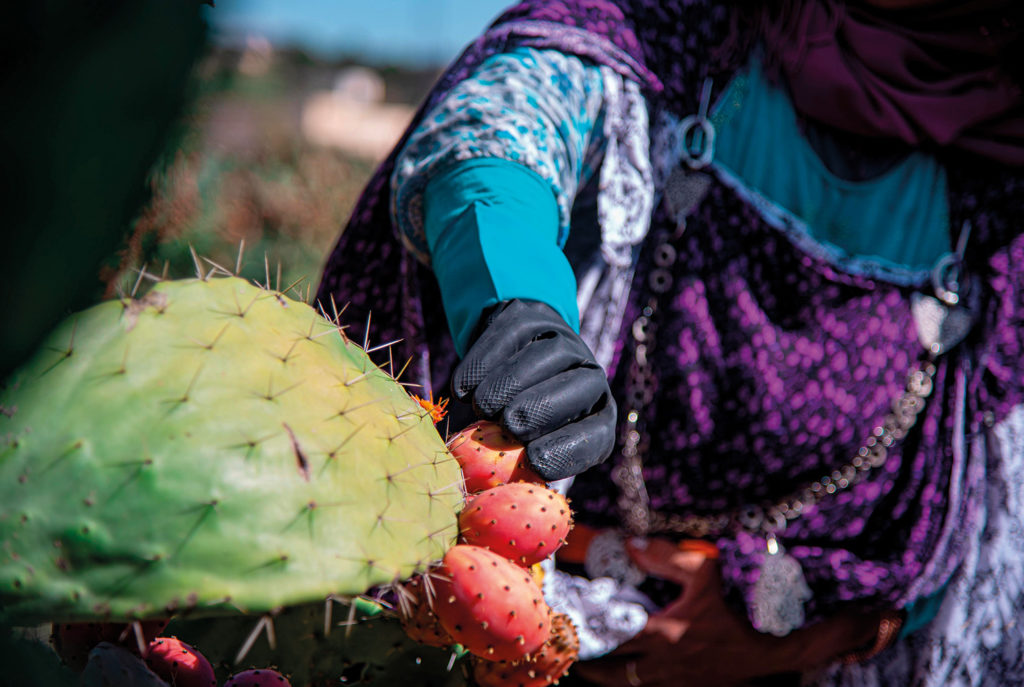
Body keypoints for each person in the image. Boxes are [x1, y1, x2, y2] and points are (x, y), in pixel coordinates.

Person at [317, 1, 1024, 685]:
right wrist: (518, 303)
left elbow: (984, 531)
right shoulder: (670, 27)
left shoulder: (1003, 185)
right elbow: (499, 131)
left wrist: (809, 630)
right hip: (501, 635)